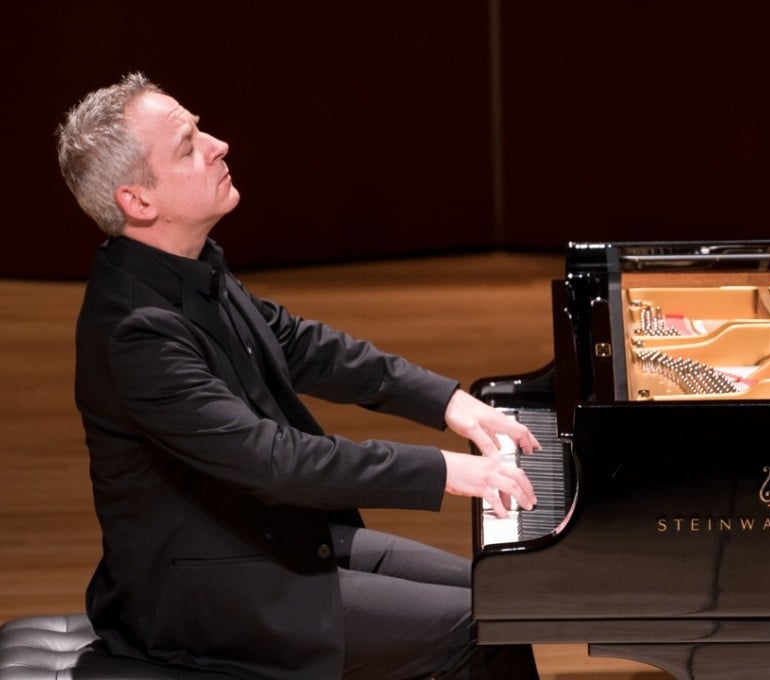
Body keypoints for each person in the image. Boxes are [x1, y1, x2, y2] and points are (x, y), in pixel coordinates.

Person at [55, 71, 542, 680]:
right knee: (481, 629)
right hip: (207, 593)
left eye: (200, 128)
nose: (218, 145)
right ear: (139, 201)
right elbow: (275, 461)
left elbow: (301, 344)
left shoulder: (186, 263)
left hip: (264, 539)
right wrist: (447, 470)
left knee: (509, 601)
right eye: (188, 145)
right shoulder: (136, 331)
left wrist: (449, 403)